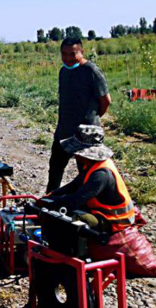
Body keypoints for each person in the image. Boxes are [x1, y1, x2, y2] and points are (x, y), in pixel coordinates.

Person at [41, 125, 135, 233]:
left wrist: (51, 203)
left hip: (113, 221)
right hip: (100, 212)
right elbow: (72, 186)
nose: (74, 155)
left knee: (73, 217)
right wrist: (50, 196)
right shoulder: (92, 165)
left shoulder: (101, 174)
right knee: (58, 205)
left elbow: (75, 200)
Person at [47, 37, 112, 193]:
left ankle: (86, 206)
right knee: (55, 170)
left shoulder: (91, 71)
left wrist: (91, 121)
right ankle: (47, 202)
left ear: (81, 52)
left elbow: (106, 100)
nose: (68, 58)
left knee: (87, 175)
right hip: (64, 132)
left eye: (72, 54)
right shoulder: (63, 71)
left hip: (86, 135)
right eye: (64, 54)